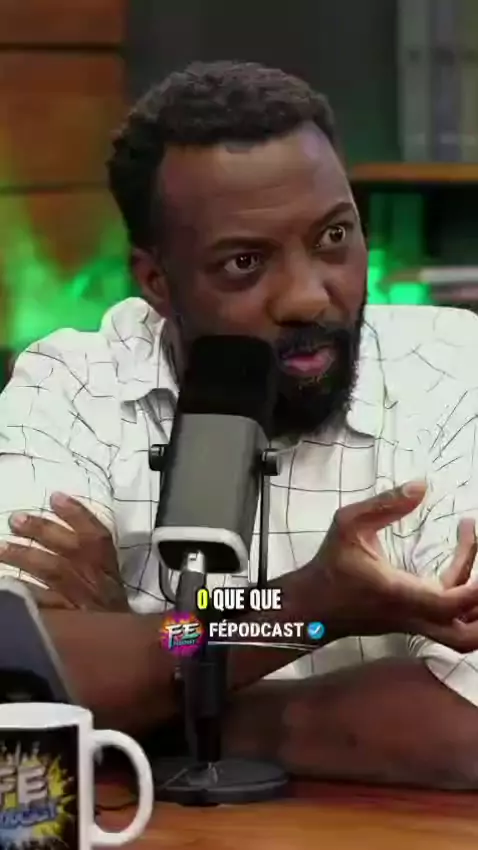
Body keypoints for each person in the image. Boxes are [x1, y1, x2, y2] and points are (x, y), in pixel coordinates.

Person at [1, 61, 478, 788]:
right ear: (157, 282)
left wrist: (161, 690)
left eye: (334, 237)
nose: (308, 297)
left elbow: (466, 730)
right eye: (245, 262)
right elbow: (18, 682)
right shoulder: (74, 386)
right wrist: (309, 607)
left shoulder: (456, 373)